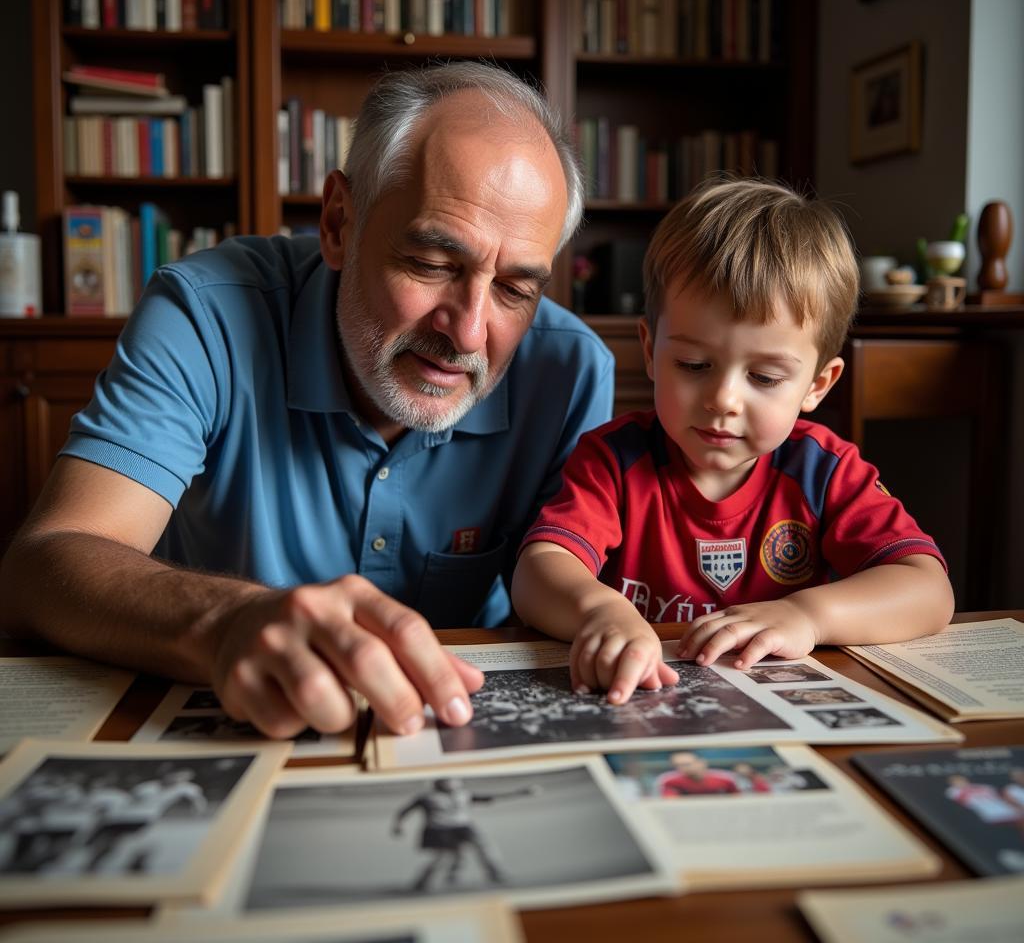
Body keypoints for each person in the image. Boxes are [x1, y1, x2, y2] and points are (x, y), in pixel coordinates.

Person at [0, 62, 614, 739]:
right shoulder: (204, 314)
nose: (468, 332)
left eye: (515, 290)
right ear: (338, 222)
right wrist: (227, 621)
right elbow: (44, 563)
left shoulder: (571, 371)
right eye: (433, 264)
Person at [512, 178, 953, 704]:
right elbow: (538, 571)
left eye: (765, 378)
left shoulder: (824, 470)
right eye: (694, 365)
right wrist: (600, 611)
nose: (723, 399)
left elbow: (929, 590)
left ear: (818, 384)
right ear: (650, 351)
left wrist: (807, 616)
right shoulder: (613, 459)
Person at [391, 776, 537, 892]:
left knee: (484, 847)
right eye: (446, 780)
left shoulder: (463, 795)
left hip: (463, 826)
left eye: (453, 780)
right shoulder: (427, 797)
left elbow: (490, 798)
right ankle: (422, 883)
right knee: (444, 857)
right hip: (439, 829)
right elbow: (404, 811)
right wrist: (398, 825)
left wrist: (520, 793)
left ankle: (496, 874)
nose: (451, 783)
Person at [654, 751, 740, 797]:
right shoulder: (669, 781)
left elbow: (739, 800)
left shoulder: (726, 779)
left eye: (686, 764)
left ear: (701, 762)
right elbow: (669, 805)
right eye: (677, 765)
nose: (682, 768)